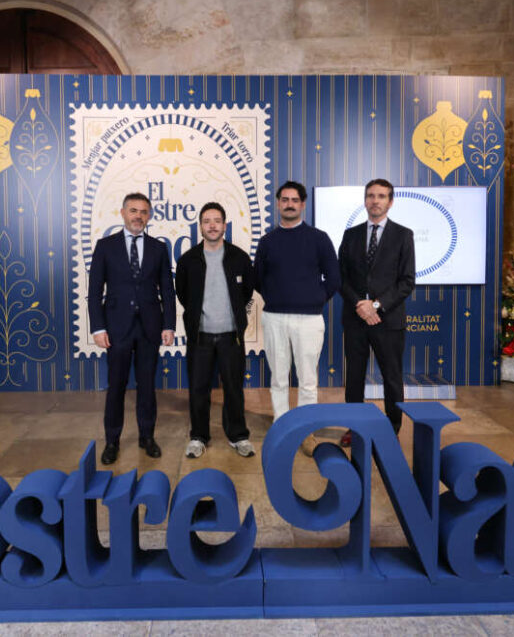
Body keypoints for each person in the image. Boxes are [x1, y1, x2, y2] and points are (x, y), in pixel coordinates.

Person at [88, 192, 176, 465]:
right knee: (116, 386)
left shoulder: (159, 248)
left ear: (149, 216)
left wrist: (169, 325)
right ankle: (112, 441)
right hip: (117, 328)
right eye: (133, 210)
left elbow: (167, 290)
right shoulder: (105, 246)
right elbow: (94, 291)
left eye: (144, 212)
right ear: (123, 213)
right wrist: (98, 328)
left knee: (147, 386)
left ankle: (147, 437)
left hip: (150, 327)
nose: (139, 216)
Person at [254, 180, 340, 456]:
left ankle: (306, 431)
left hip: (309, 320)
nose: (289, 204)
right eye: (284, 200)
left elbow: (334, 278)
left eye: (294, 200)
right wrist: (276, 297)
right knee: (278, 378)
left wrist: (314, 299)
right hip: (274, 318)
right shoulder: (267, 241)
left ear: (303, 204)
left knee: (307, 380)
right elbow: (258, 279)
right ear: (278, 204)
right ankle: (281, 426)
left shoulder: (319, 238)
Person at [175, 202, 256, 459]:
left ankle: (238, 435)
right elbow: (183, 294)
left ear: (224, 225)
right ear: (200, 226)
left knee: (234, 389)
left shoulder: (239, 257)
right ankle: (198, 436)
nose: (212, 226)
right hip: (200, 336)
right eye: (207, 221)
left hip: (231, 336)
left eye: (217, 221)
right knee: (198, 389)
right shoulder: (188, 260)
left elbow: (246, 292)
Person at [338, 178, 415, 446]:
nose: (375, 201)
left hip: (388, 320)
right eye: (371, 195)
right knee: (354, 377)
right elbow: (341, 277)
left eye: (381, 196)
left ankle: (392, 428)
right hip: (355, 318)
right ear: (365, 200)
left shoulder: (403, 235)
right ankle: (354, 426)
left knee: (392, 377)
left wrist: (376, 305)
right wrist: (361, 305)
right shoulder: (351, 235)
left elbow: (407, 281)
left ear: (390, 202)